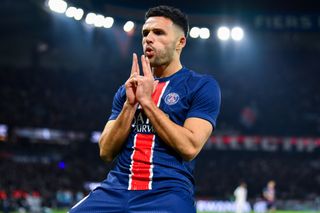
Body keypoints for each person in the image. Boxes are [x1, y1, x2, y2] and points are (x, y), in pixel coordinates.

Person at [70, 5, 221, 212]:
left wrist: (147, 103)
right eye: (145, 33)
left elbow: (189, 148)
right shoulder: (127, 90)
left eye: (158, 33)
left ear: (180, 42)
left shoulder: (201, 85)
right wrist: (130, 105)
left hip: (167, 193)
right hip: (117, 189)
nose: (148, 38)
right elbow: (105, 151)